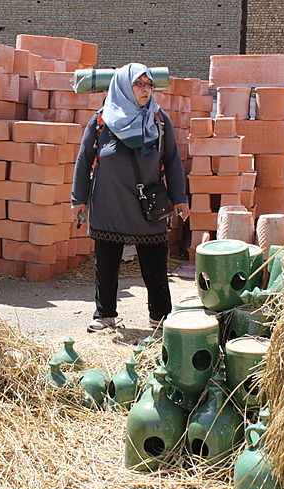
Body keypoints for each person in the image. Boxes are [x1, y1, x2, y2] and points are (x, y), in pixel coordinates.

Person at [71, 63, 190, 333]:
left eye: (149, 84)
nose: (145, 90)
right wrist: (78, 199)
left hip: (148, 204)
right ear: (124, 86)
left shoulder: (158, 119)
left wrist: (179, 198)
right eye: (139, 84)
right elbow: (84, 160)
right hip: (109, 201)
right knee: (106, 263)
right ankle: (104, 315)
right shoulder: (102, 121)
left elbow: (172, 159)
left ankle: (160, 317)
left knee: (155, 262)